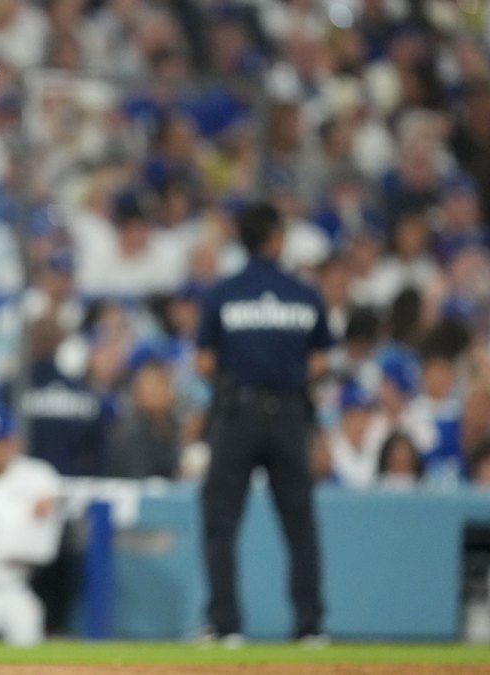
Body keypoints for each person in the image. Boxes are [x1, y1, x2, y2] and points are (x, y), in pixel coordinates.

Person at [196, 202, 334, 644]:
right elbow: (319, 360)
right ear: (276, 239)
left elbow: (203, 361)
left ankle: (226, 626)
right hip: (291, 414)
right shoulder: (303, 293)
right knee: (299, 524)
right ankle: (309, 628)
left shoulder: (225, 292)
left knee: (222, 523)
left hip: (239, 412)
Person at [0, 402, 61, 646]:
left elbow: (42, 549)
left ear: (14, 441)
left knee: (26, 616)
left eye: (0, 441)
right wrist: (20, 520)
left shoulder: (38, 476)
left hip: (13, 587)